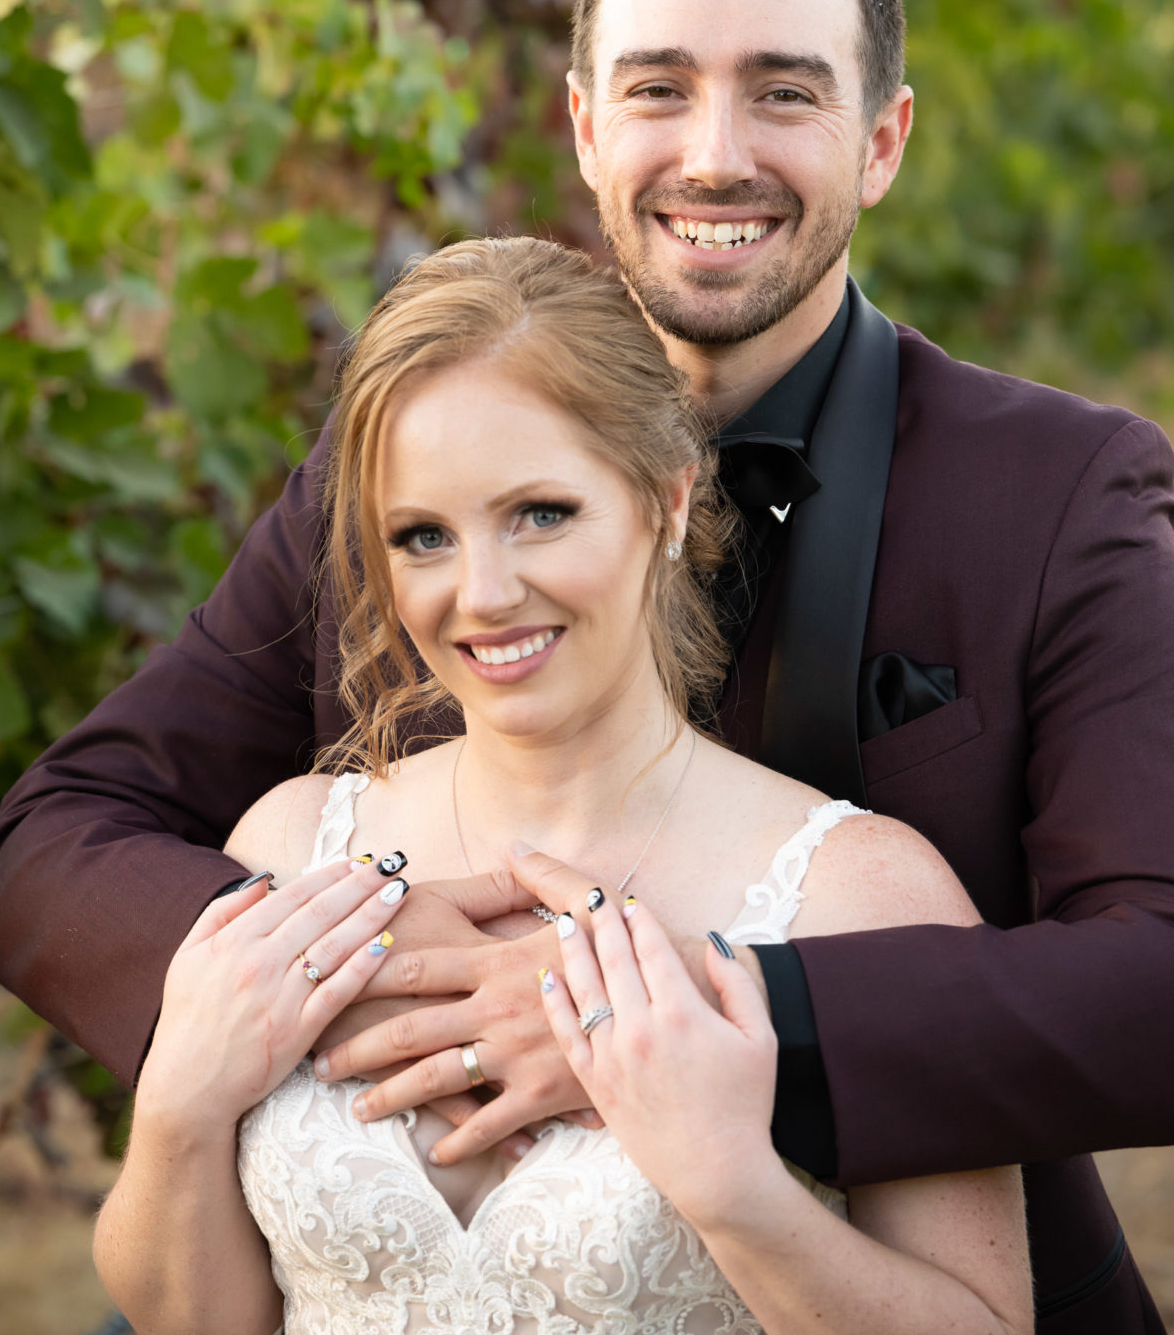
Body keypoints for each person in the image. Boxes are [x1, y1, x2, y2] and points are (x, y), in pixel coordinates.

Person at [0, 0, 1172, 1330]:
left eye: (786, 91)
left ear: (882, 141)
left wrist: (712, 1020)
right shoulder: (418, 468)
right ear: (588, 129)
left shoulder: (1064, 495)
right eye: (660, 88)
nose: (715, 153)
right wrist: (330, 973)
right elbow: (57, 835)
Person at [92, 237, 1033, 1335]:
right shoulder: (290, 844)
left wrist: (731, 1187)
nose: (483, 594)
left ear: (667, 501)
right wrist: (178, 1106)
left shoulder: (862, 896)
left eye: (541, 513)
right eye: (424, 536)